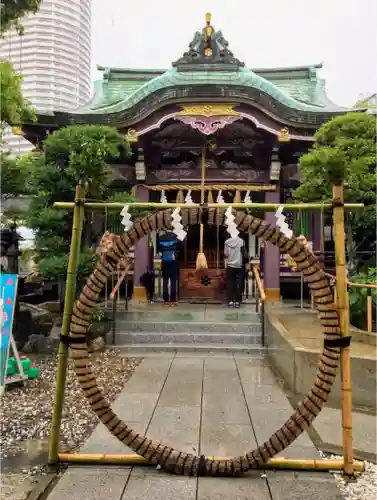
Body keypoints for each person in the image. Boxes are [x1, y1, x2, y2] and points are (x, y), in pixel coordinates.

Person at [224, 235, 247, 308]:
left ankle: (230, 301)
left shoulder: (227, 242)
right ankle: (237, 302)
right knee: (238, 284)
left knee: (230, 284)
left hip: (230, 266)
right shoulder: (241, 241)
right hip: (239, 266)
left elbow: (226, 254)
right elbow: (244, 254)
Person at [158, 231, 179, 306]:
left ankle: (166, 301)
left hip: (165, 264)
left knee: (165, 282)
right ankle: (173, 301)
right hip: (173, 264)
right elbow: (180, 248)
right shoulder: (175, 237)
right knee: (173, 283)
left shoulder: (161, 238)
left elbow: (159, 251)